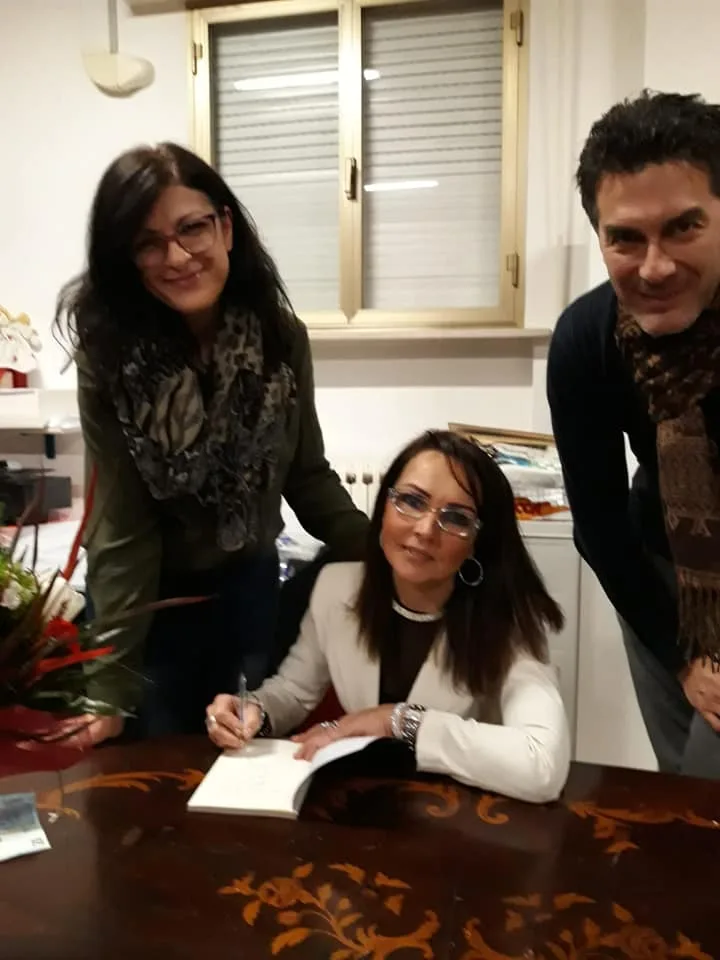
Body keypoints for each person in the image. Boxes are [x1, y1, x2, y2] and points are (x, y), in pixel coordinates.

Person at [55, 143, 369, 745]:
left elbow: (307, 475)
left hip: (246, 587)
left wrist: (387, 551)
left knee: (239, 759)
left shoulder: (279, 336)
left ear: (225, 226)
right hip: (147, 602)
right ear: (126, 257)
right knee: (154, 766)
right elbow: (121, 528)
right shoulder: (111, 355)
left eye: (191, 228)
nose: (176, 257)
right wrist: (110, 689)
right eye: (148, 242)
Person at [206, 430, 571, 804]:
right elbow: (295, 692)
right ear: (384, 506)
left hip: (462, 812)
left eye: (456, 518)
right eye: (411, 501)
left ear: (478, 541)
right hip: (367, 802)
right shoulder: (336, 588)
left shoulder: (508, 619)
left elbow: (541, 765)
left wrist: (397, 721)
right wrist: (253, 710)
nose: (425, 530)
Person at [547, 91, 720, 778]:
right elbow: (598, 523)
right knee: (682, 784)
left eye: (683, 228)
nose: (654, 266)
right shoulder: (587, 339)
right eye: (625, 238)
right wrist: (683, 659)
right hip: (659, 574)